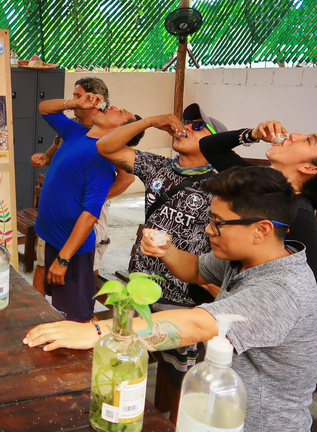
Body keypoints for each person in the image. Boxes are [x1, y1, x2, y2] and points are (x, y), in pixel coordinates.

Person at [24, 166, 317, 432]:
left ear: (261, 230)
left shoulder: (282, 289)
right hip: (218, 414)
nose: (209, 229)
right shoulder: (246, 258)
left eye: (219, 223)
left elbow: (197, 323)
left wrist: (98, 331)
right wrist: (165, 249)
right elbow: (196, 269)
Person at [95, 103, 227, 411]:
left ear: (214, 143)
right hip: (140, 286)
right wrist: (151, 121)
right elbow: (106, 146)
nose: (185, 127)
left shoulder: (223, 184)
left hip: (183, 295)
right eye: (187, 122)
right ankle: (123, 412)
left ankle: (171, 420)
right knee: (127, 357)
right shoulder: (159, 167)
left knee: (179, 377)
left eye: (197, 127)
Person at [200, 120, 317, 285]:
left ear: (310, 168)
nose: (294, 135)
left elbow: (306, 287)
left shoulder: (299, 218)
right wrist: (252, 135)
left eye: (308, 140)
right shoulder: (259, 184)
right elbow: (209, 146)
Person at [36, 92, 143, 322]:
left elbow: (90, 213)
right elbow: (44, 108)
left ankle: (88, 354)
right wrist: (74, 103)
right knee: (60, 307)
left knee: (79, 317)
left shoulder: (101, 158)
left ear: (120, 131)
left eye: (120, 112)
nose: (113, 106)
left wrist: (64, 259)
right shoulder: (77, 132)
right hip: (55, 238)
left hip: (71, 250)